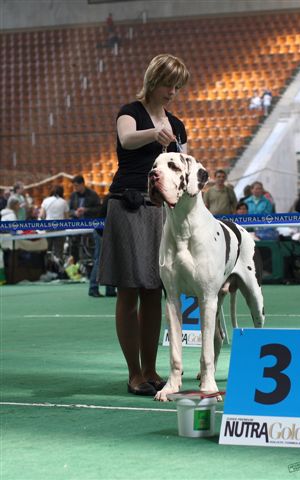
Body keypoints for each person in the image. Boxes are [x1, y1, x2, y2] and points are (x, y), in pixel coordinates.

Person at [98, 53, 190, 396]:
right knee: (129, 290)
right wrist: (156, 133)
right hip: (128, 204)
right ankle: (134, 372)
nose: (173, 92)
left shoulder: (178, 124)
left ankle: (151, 370)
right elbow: (127, 140)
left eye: (178, 86)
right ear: (154, 80)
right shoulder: (130, 112)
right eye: (169, 84)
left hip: (161, 210)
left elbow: (184, 165)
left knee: (155, 289)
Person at [69, 175, 102, 297]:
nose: (75, 188)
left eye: (76, 185)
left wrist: (86, 210)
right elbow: (70, 210)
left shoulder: (93, 195)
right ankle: (77, 271)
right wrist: (75, 212)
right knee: (75, 251)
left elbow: (99, 209)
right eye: (74, 186)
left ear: (82, 184)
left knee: (94, 255)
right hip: (76, 227)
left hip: (91, 228)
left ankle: (89, 274)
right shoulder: (73, 196)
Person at [39, 185, 69, 261]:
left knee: (47, 249)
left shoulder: (46, 201)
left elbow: (42, 215)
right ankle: (58, 269)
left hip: (48, 226)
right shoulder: (64, 202)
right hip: (60, 228)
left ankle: (46, 267)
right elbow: (66, 218)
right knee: (59, 251)